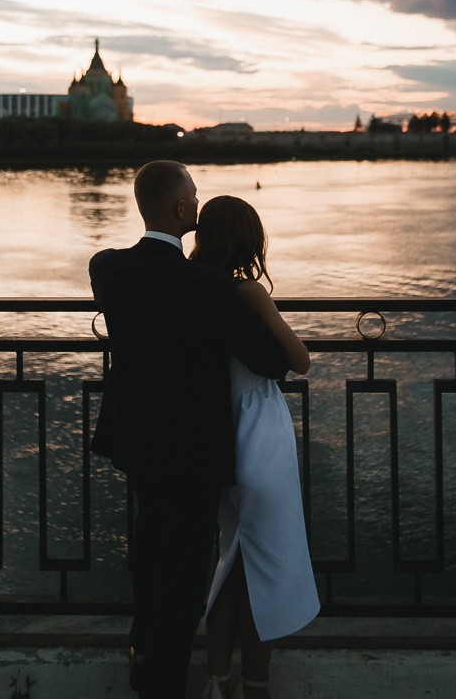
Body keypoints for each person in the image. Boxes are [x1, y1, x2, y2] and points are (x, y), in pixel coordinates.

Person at [89, 161, 290, 699]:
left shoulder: (107, 268)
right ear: (181, 210)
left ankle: (142, 653)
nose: (198, 206)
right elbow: (272, 361)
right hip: (194, 453)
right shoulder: (207, 286)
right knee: (182, 577)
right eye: (194, 197)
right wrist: (257, 305)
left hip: (135, 443)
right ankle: (163, 686)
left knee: (151, 549)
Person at [192, 196, 320, 699]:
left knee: (231, 563)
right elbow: (300, 360)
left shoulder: (192, 290)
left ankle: (218, 680)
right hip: (259, 435)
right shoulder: (246, 292)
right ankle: (256, 685)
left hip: (216, 435)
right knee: (267, 568)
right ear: (251, 239)